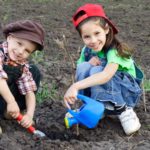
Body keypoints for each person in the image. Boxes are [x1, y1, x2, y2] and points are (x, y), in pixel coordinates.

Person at [64, 3, 143, 135]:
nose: (93, 40)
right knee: (84, 67)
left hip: (126, 93)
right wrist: (88, 63)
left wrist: (75, 86)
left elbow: (106, 75)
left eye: (97, 33)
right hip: (103, 91)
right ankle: (93, 107)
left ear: (106, 29)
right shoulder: (87, 51)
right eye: (87, 36)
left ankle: (124, 111)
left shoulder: (115, 50)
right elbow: (80, 71)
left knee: (97, 71)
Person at [0, 20, 45, 132]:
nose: (20, 52)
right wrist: (11, 102)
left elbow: (29, 91)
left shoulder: (21, 65)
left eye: (27, 51)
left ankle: (7, 112)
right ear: (9, 38)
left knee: (33, 71)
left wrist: (30, 115)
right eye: (19, 43)